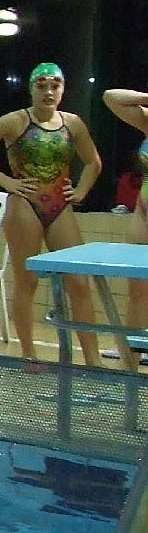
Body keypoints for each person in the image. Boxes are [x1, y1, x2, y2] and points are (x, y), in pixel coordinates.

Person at [0, 63, 103, 370]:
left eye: (55, 85)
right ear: (31, 89)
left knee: (79, 281)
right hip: (24, 204)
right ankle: (28, 354)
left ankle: (92, 358)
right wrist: (5, 181)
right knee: (27, 281)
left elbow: (93, 162)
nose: (49, 92)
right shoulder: (16, 121)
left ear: (63, 89)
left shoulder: (72, 123)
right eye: (42, 85)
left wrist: (81, 191)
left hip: (59, 206)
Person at [102, 85, 148, 345]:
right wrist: (146, 98)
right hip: (142, 218)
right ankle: (131, 357)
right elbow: (111, 98)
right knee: (138, 293)